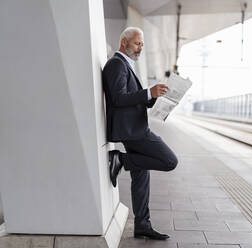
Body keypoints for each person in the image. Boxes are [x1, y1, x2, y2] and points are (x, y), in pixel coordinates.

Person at [102, 27, 178, 240]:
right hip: (133, 131)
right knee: (170, 160)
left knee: (142, 174)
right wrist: (147, 92)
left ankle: (142, 224)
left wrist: (153, 97)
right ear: (123, 42)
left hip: (132, 128)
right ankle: (121, 160)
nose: (140, 48)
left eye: (142, 44)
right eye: (137, 43)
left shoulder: (126, 64)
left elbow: (132, 98)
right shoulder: (116, 64)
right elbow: (118, 98)